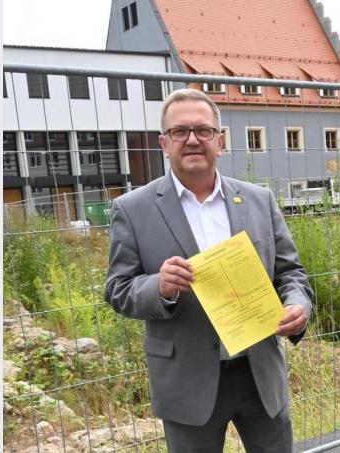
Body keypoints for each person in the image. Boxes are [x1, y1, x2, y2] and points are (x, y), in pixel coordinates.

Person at [105, 88, 313, 452]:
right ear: (164, 143)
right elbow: (118, 289)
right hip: (187, 380)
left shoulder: (258, 200)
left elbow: (290, 272)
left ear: (220, 140)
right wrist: (159, 286)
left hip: (259, 372)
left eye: (203, 130)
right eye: (179, 131)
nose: (192, 140)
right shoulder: (133, 209)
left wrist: (299, 305)